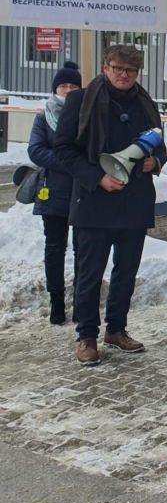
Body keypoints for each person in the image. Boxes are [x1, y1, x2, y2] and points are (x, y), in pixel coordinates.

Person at [53, 45, 167, 365]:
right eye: (116, 68)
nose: (122, 74)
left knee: (126, 272)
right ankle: (87, 336)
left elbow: (161, 145)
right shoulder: (80, 100)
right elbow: (63, 149)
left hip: (134, 202)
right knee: (90, 274)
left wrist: (154, 162)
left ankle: (116, 329)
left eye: (129, 70)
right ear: (105, 67)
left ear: (137, 73)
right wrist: (97, 178)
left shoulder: (147, 103)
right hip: (94, 201)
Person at [28, 60, 82, 325]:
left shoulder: (87, 115)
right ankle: (57, 301)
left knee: (83, 248)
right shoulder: (43, 117)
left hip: (83, 192)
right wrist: (70, 163)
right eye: (64, 85)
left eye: (74, 86)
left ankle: (82, 299)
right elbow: (36, 150)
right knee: (55, 248)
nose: (68, 90)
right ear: (55, 89)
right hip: (54, 192)